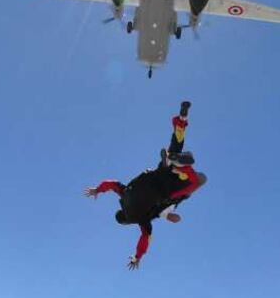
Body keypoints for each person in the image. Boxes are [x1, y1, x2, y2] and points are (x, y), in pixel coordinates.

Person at [84, 101, 207, 270]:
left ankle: (181, 167)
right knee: (175, 148)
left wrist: (137, 257)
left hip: (166, 190)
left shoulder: (141, 220)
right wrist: (98, 189)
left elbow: (145, 238)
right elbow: (111, 184)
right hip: (157, 172)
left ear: (127, 221)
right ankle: (181, 121)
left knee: (197, 181)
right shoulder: (124, 193)